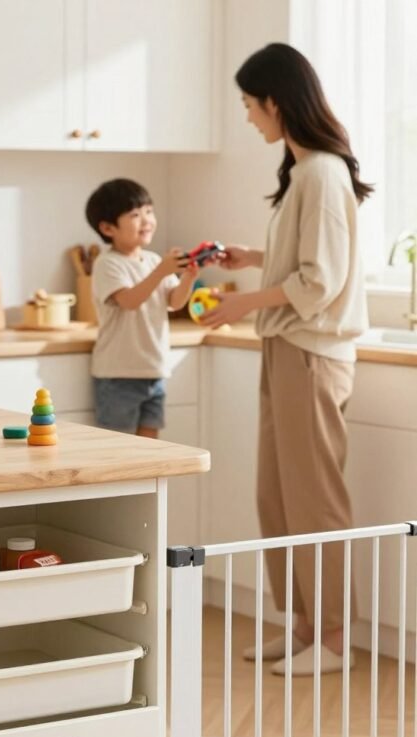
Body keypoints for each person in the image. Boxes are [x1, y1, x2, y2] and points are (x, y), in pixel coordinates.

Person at [201, 43, 372, 676]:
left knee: (314, 498)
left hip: (312, 354)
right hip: (288, 348)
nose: (248, 117)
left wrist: (241, 303)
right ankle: (303, 625)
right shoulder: (304, 174)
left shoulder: (322, 173)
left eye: (250, 104)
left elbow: (319, 282)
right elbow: (303, 265)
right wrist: (252, 258)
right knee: (276, 496)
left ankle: (334, 637)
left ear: (275, 101)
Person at [85, 178, 198, 438]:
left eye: (149, 211)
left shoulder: (154, 260)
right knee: (119, 448)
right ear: (107, 228)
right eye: (135, 215)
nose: (147, 220)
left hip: (155, 370)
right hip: (118, 375)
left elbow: (175, 302)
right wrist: (161, 271)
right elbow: (129, 301)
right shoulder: (108, 263)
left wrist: (189, 277)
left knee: (151, 447)